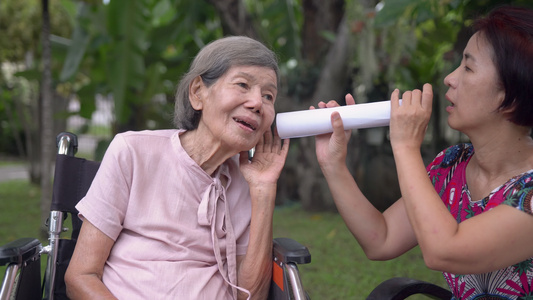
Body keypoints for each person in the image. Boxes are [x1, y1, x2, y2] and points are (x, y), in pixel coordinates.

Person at [313, 5, 533, 299]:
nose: (450, 78)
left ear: (510, 96)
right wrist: (333, 164)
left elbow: (445, 251)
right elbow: (382, 239)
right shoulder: (452, 165)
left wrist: (404, 146)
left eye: (467, 68)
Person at [64, 36, 290, 300]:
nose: (257, 103)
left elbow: (252, 295)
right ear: (197, 93)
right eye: (242, 84)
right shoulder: (133, 153)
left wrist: (263, 190)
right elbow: (81, 276)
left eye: (268, 95)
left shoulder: (247, 183)